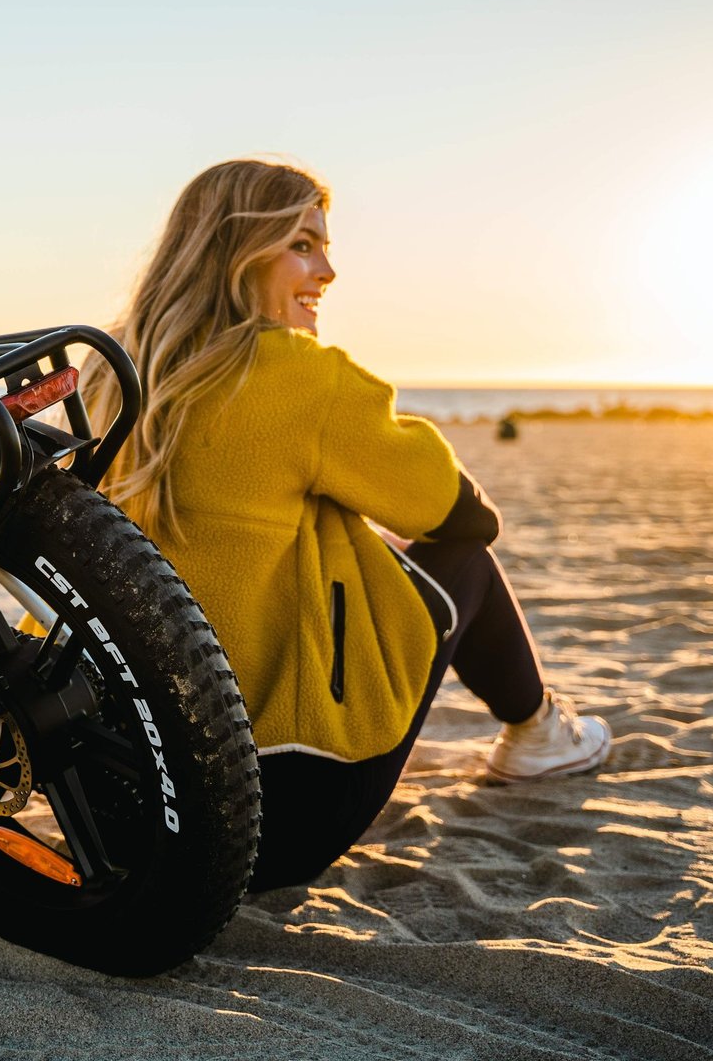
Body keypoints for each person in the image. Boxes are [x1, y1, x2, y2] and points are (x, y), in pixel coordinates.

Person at [83, 158, 610, 890]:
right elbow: (464, 515)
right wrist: (359, 505)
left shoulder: (108, 374)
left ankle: (538, 731)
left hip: (116, 813)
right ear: (237, 252)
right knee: (461, 563)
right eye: (302, 245)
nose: (327, 271)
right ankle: (539, 735)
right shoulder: (297, 375)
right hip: (271, 822)